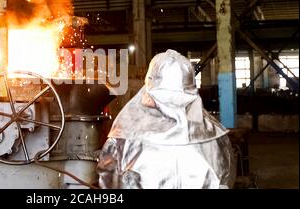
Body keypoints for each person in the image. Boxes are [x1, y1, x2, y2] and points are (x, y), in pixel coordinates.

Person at [97, 49, 236, 189]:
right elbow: (227, 178)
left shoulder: (124, 137)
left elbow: (109, 181)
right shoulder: (217, 138)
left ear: (149, 84)